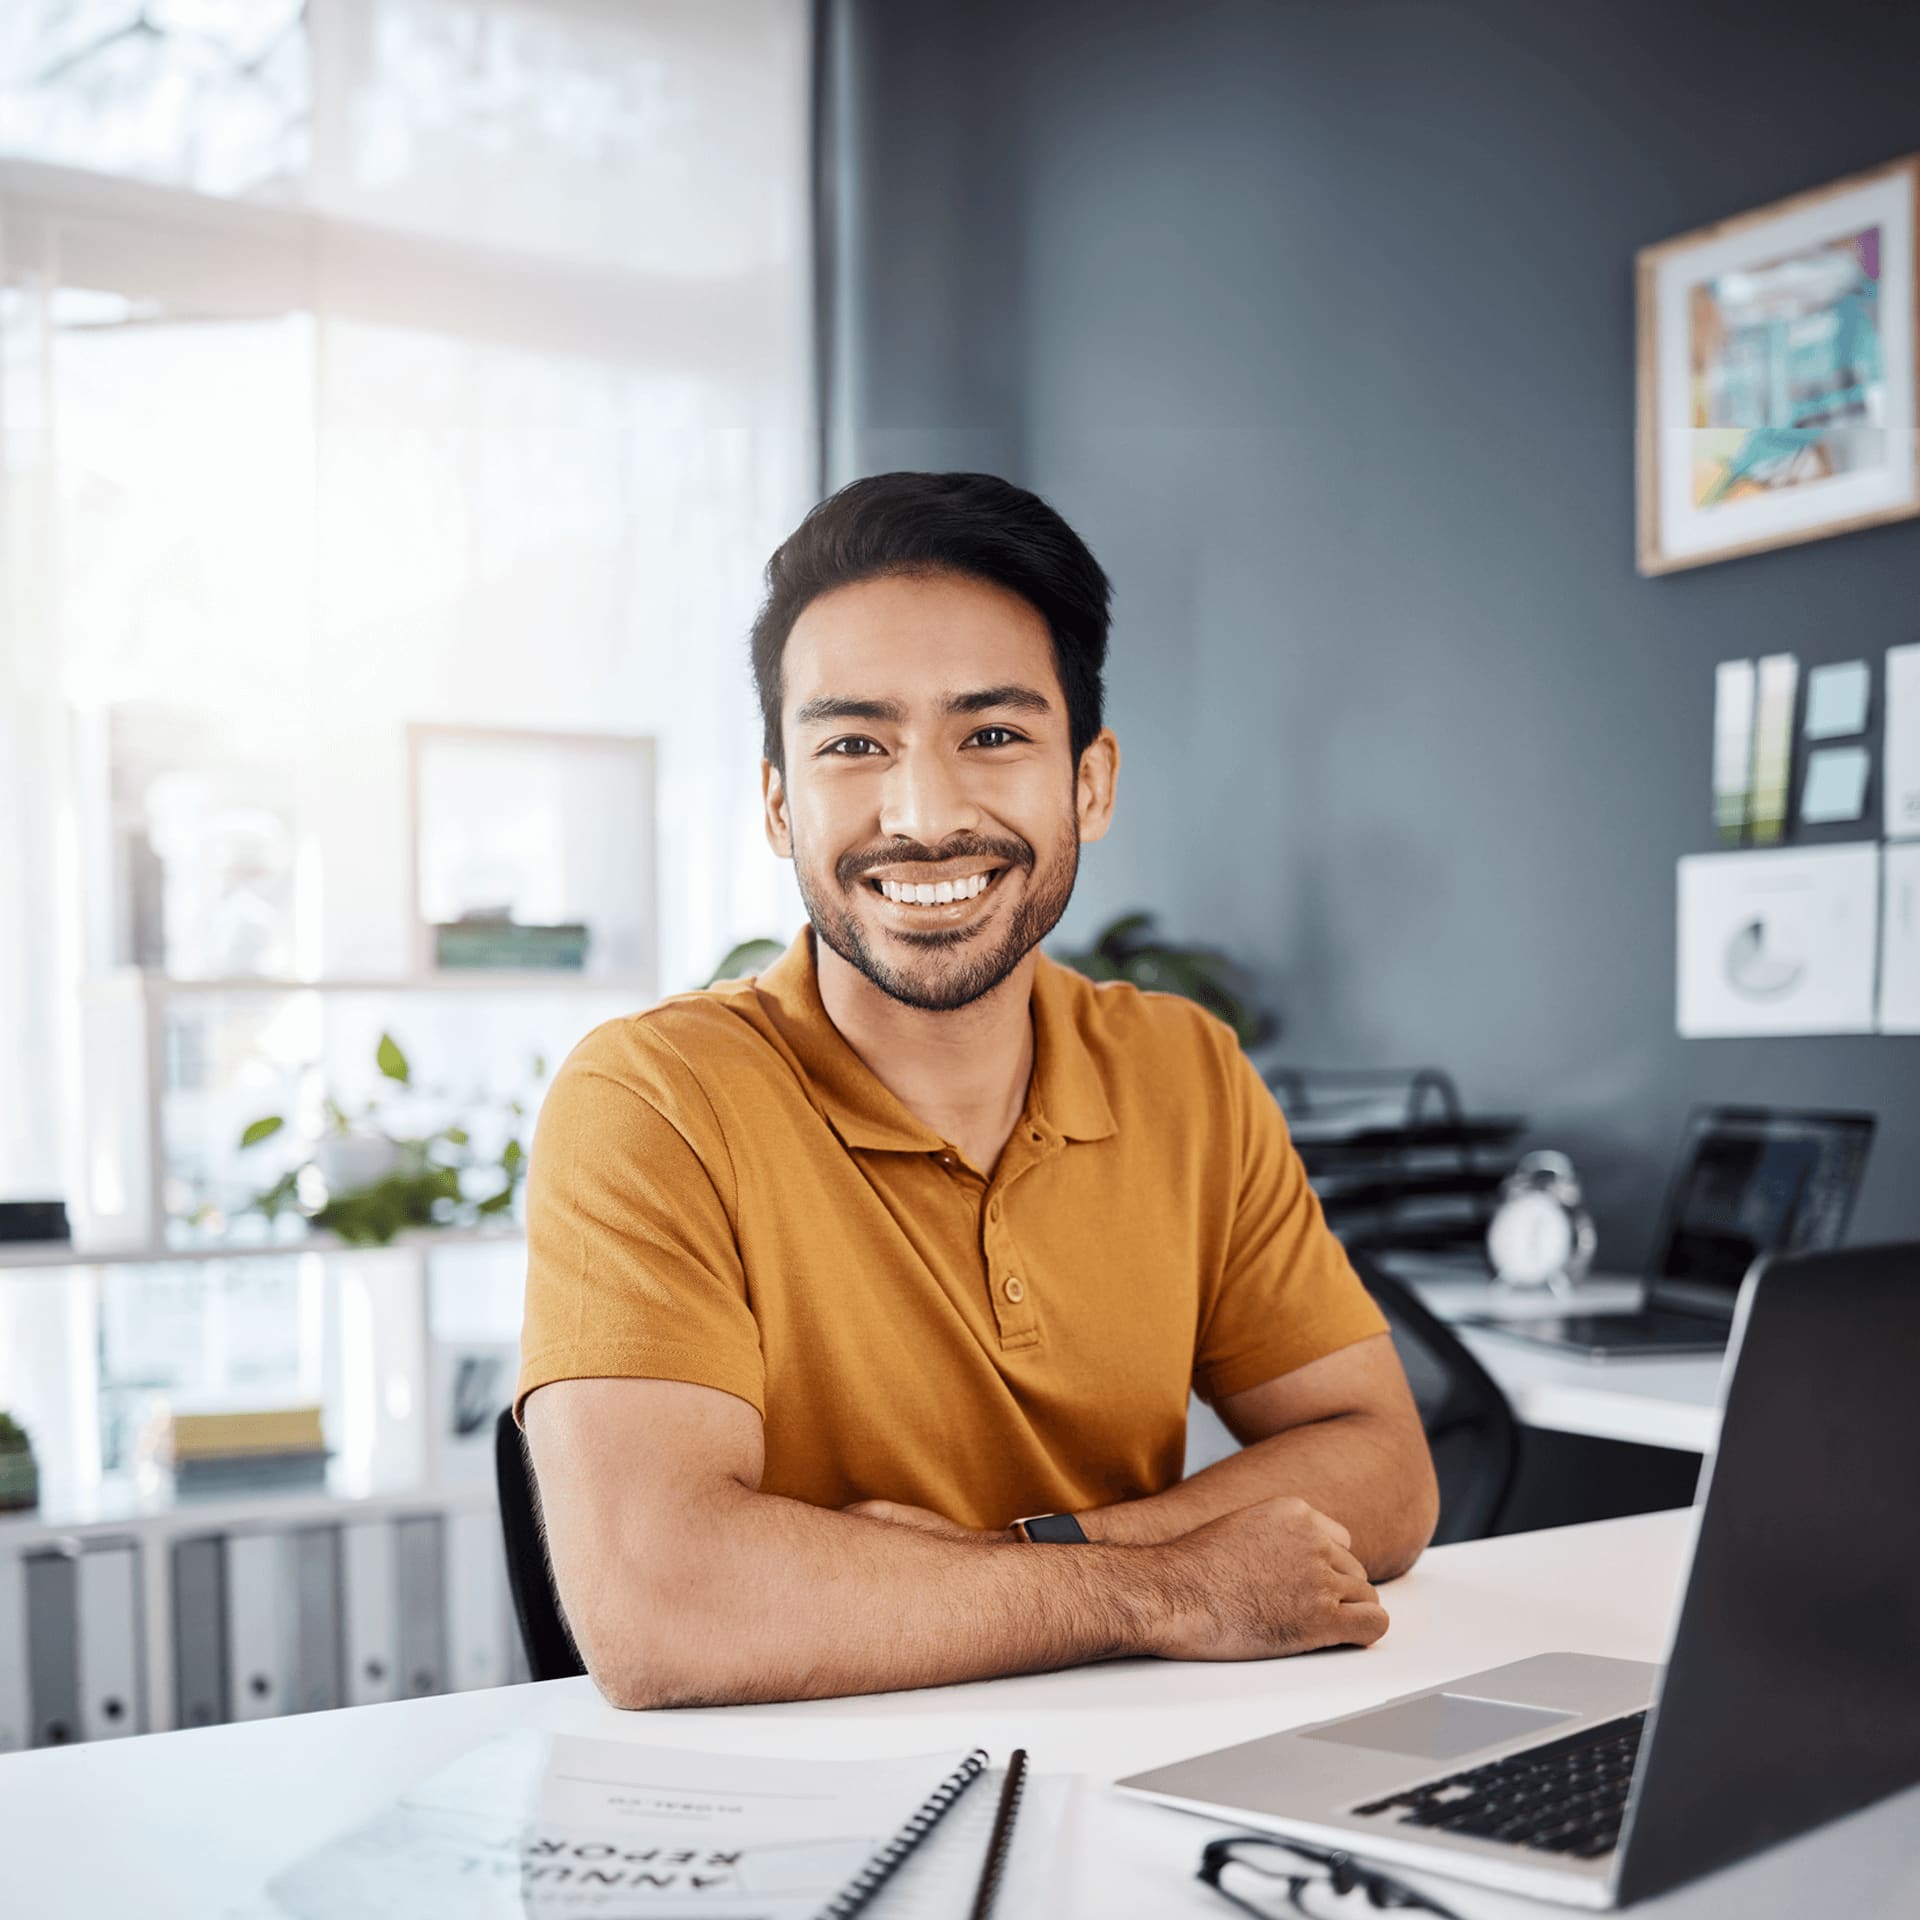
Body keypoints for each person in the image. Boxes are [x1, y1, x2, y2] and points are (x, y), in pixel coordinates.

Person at [518, 472, 1439, 1708]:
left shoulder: (1185, 1070)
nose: (924, 812)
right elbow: (659, 1608)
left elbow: (1385, 1466)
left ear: (1090, 783)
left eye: (993, 735)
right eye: (854, 745)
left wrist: (1028, 1558)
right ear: (779, 805)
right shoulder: (652, 1099)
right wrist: (1175, 1587)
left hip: (1132, 1767)